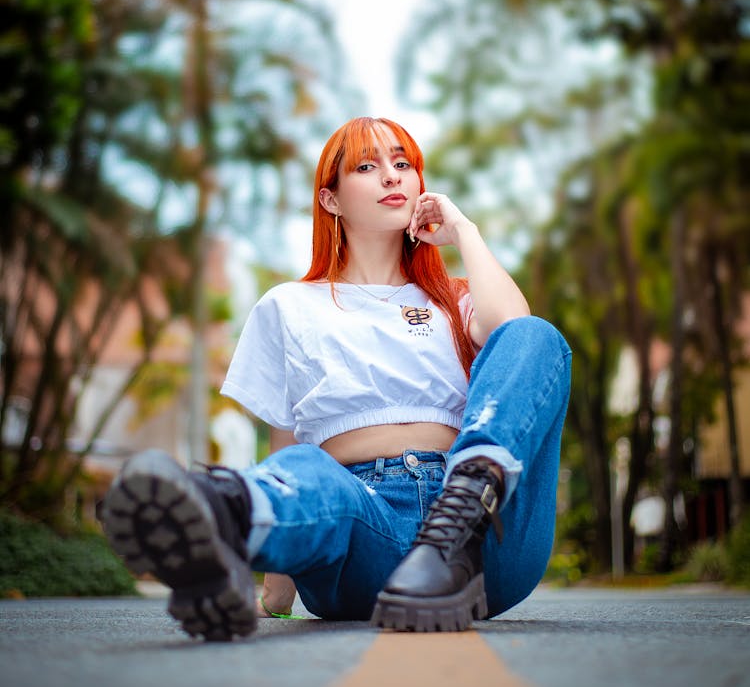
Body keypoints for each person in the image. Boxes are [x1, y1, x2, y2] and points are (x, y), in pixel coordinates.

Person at [101, 116, 571, 639]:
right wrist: (276, 594)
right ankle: (221, 518)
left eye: (403, 164)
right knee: (306, 466)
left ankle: (461, 513)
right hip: (362, 522)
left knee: (537, 336)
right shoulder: (288, 305)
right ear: (331, 200)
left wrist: (465, 231)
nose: (392, 177)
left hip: (483, 546)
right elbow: (288, 446)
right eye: (367, 167)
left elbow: (513, 329)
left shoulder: (455, 300)